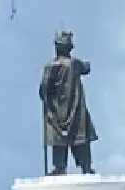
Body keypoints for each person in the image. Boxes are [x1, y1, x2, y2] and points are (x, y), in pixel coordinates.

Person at [39, 30, 97, 174]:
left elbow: (43, 90)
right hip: (74, 110)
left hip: (56, 112)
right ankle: (86, 167)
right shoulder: (74, 64)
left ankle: (60, 167)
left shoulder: (50, 66)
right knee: (80, 140)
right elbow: (87, 68)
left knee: (60, 141)